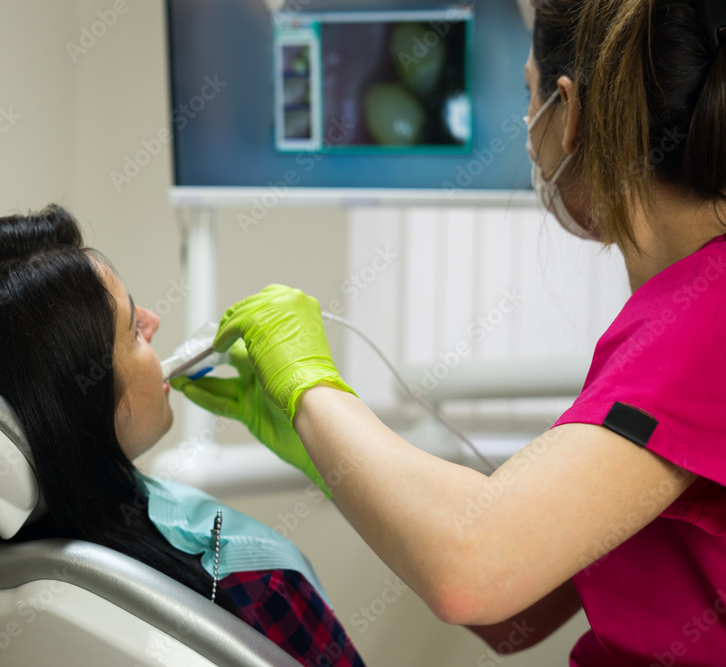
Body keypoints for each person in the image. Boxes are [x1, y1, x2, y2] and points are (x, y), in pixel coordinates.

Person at [174, 0, 726, 664]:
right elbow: (518, 613)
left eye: (528, 97)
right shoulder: (674, 314)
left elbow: (472, 570)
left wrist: (311, 389)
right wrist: (326, 448)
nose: (525, 127)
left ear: (569, 112)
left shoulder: (702, 317)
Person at [0, 204, 365, 667]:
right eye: (132, 328)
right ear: (77, 407)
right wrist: (333, 433)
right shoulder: (250, 579)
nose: (154, 322)